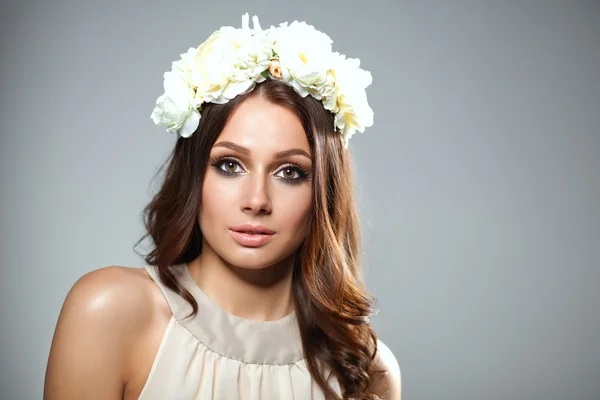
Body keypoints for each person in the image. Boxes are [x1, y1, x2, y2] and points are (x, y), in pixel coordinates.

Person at [44, 13, 401, 400]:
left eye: (290, 172)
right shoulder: (110, 312)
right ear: (195, 173)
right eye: (230, 165)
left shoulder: (368, 368)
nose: (256, 201)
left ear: (325, 191)